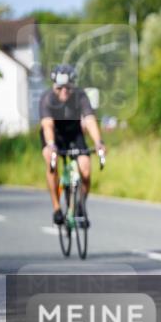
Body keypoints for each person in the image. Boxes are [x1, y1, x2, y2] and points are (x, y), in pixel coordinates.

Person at [39, 64, 106, 228]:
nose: (64, 91)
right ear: (54, 86)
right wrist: (51, 145)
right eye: (60, 87)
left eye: (68, 88)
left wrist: (98, 142)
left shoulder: (80, 96)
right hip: (54, 136)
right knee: (50, 160)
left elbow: (89, 120)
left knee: (85, 168)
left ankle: (81, 205)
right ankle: (56, 208)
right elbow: (47, 125)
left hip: (74, 133)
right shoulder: (47, 98)